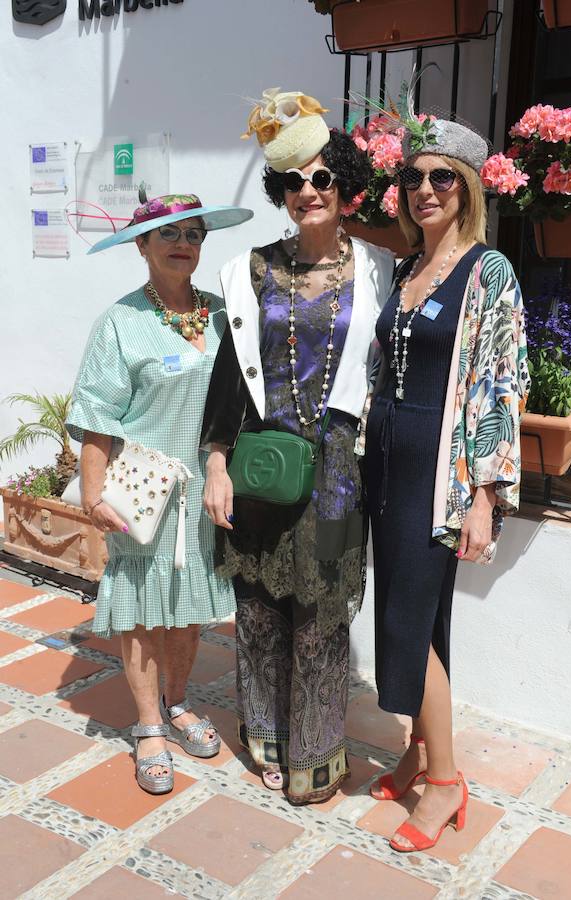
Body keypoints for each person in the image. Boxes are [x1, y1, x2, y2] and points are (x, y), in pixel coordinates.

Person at [202, 89, 395, 804]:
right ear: (279, 193)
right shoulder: (248, 272)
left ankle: (315, 758)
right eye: (292, 182)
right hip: (258, 463)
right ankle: (266, 741)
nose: (307, 192)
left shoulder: (379, 272)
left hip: (337, 469)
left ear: (342, 184)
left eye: (321, 178)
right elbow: (228, 378)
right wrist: (216, 461)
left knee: (320, 620)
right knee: (256, 611)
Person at [365, 114, 530, 851]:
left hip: (441, 468)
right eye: (412, 177)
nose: (424, 190)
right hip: (387, 461)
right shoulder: (404, 268)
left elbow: (503, 386)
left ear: (464, 189)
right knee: (416, 616)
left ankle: (445, 781)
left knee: (405, 621)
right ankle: (418, 749)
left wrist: (486, 498)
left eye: (440, 178)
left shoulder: (487, 270)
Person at [66, 192, 253, 794]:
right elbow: (99, 416)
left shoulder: (225, 314)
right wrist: (93, 495)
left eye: (194, 234)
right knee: (144, 611)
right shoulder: (121, 321)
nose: (183, 244)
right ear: (141, 247)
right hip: (142, 493)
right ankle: (149, 727)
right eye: (169, 235)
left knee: (189, 609)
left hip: (205, 490)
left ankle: (177, 703)